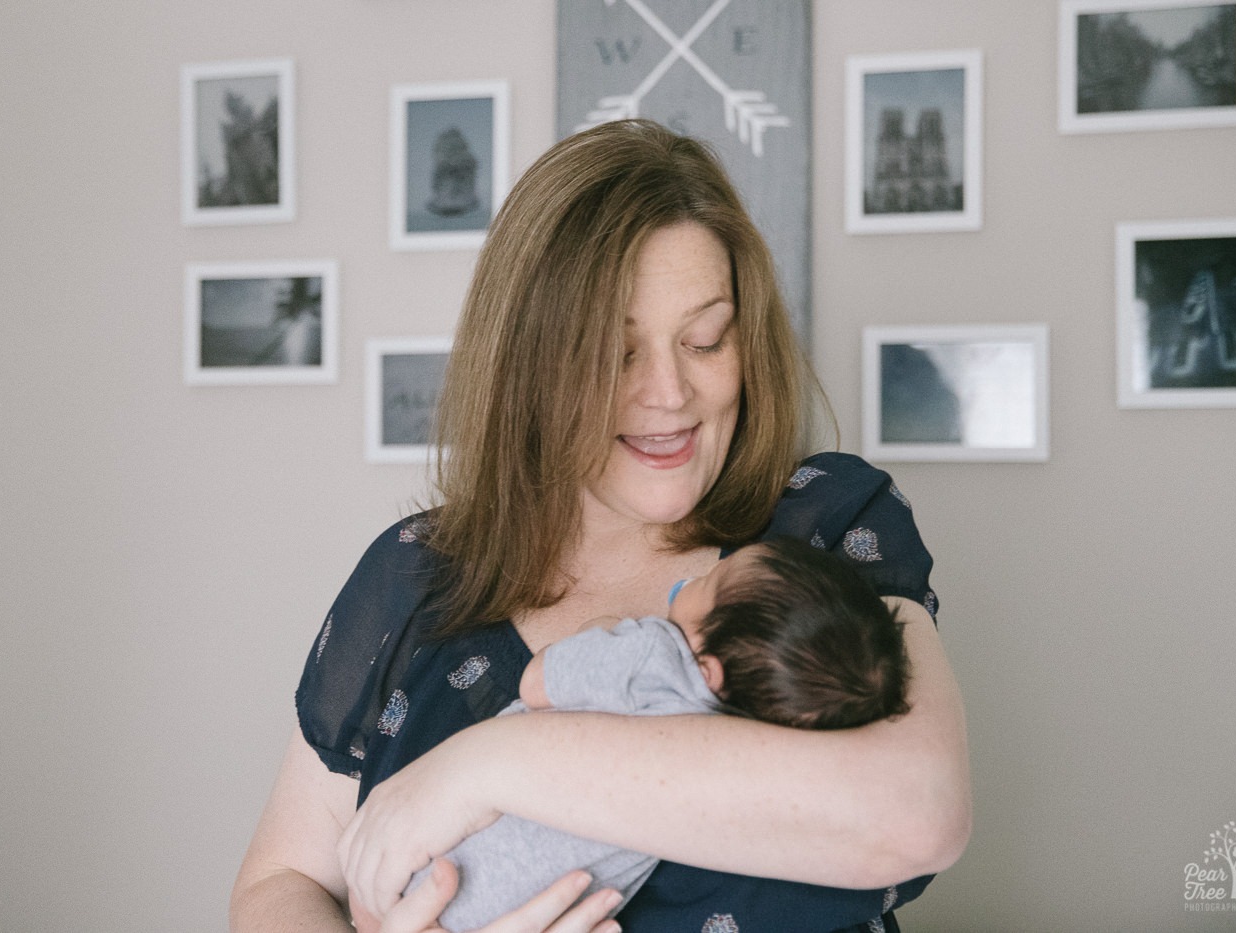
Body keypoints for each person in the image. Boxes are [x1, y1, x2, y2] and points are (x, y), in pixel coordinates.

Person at [231, 118, 970, 933]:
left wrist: (484, 766)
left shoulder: (828, 526)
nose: (670, 393)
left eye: (705, 339)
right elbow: (281, 881)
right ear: (531, 366)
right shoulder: (416, 577)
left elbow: (918, 812)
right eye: (617, 355)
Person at [394, 535, 912, 933]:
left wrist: (599, 630)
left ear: (710, 671)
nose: (695, 581)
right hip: (551, 908)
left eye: (710, 584)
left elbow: (537, 683)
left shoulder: (652, 651)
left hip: (452, 873)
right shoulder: (745, 743)